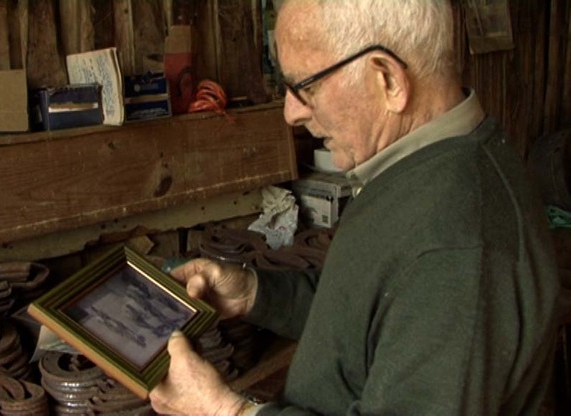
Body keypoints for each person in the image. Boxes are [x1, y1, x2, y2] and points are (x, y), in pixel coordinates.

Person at [148, 0, 560, 415]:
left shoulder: (457, 245)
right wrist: (255, 295)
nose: (291, 112)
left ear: (388, 81)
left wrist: (222, 411)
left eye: (305, 88)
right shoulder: (423, 162)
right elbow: (376, 314)